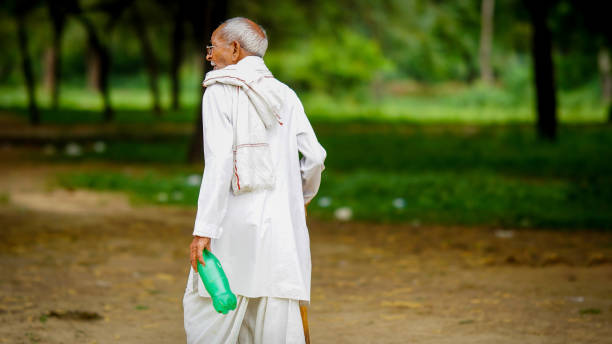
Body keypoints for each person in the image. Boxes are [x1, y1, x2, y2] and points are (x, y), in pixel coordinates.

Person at [183, 17, 326, 344]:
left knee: (209, 317)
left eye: (212, 47)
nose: (209, 56)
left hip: (234, 226)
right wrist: (300, 198)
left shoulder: (219, 90)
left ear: (234, 49)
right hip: (281, 232)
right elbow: (316, 157)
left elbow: (219, 164)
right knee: (273, 321)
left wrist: (203, 230)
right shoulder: (284, 94)